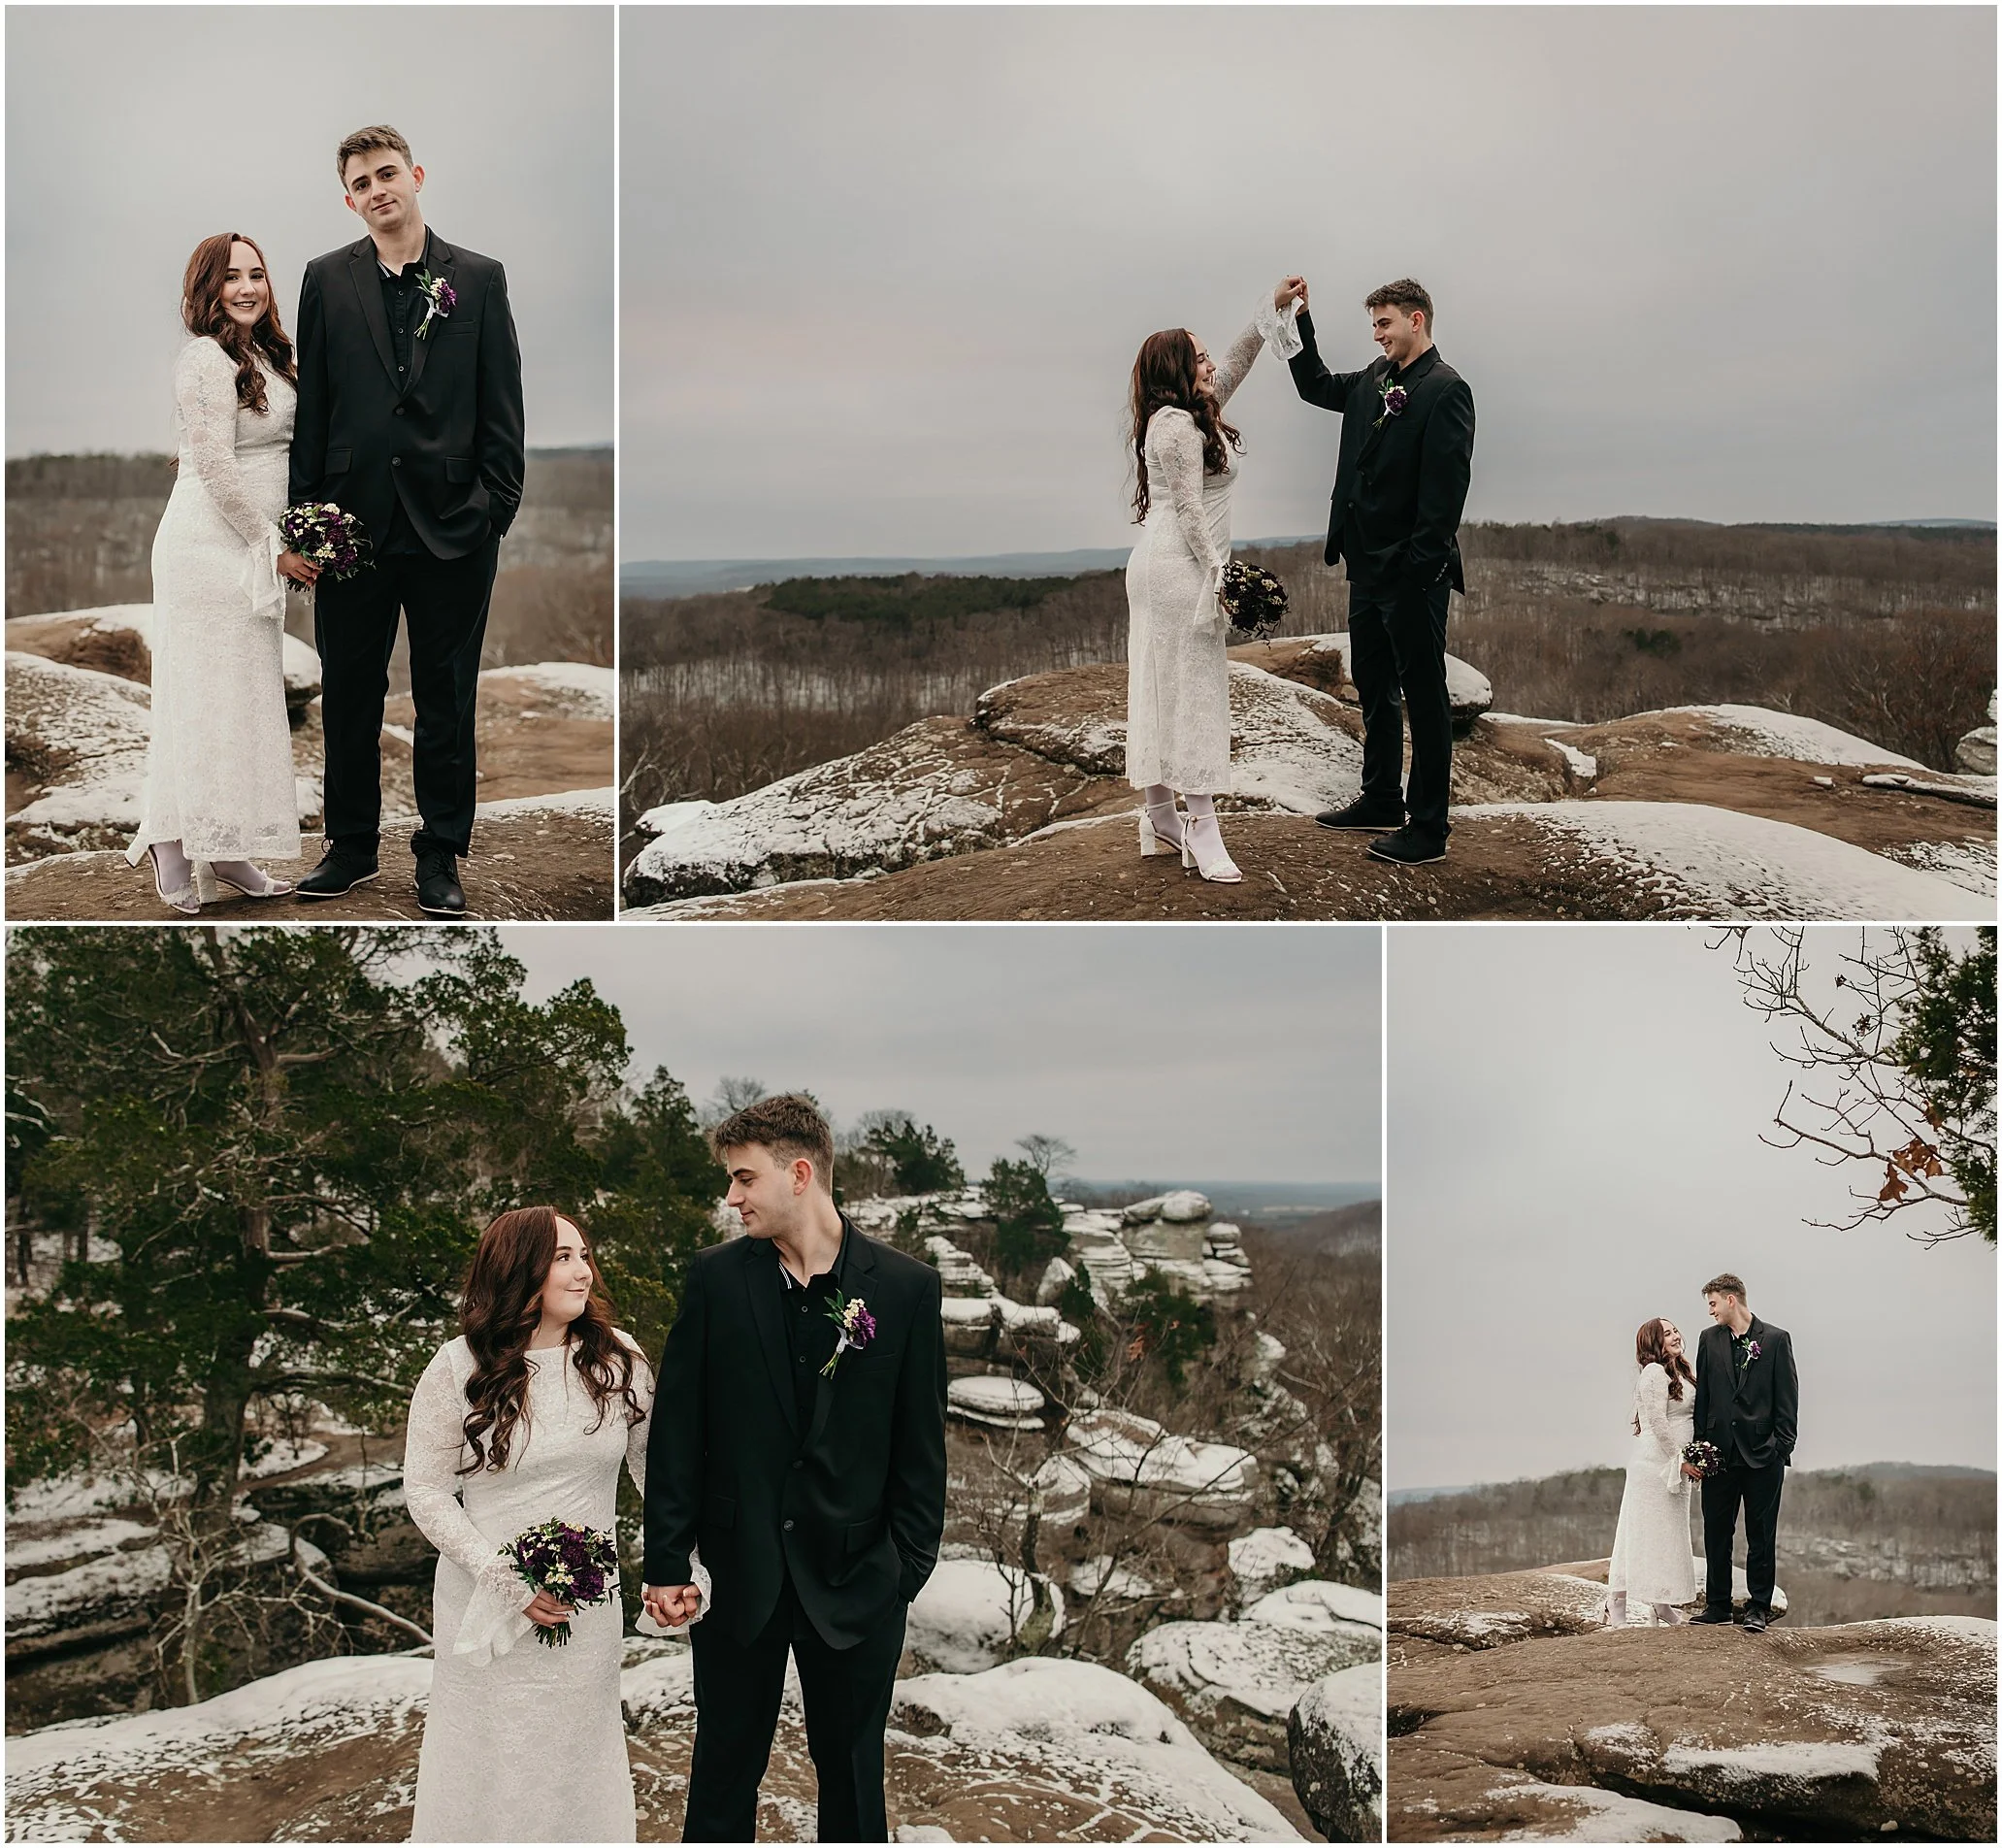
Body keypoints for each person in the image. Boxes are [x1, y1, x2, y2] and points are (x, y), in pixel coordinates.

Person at [643, 1093, 948, 1842]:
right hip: (738, 1575)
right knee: (722, 1773)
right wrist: (667, 1560)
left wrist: (901, 1570)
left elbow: (921, 1447)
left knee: (850, 1781)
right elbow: (678, 1432)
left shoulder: (905, 1289)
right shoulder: (714, 1279)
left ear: (799, 1173)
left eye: (744, 1179)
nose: (731, 1196)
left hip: (857, 1584)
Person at [289, 124, 525, 917]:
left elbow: (502, 405)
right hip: (351, 530)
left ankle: (439, 856)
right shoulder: (324, 279)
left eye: (387, 173)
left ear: (415, 175)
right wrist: (304, 524)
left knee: (445, 698)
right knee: (349, 692)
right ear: (349, 199)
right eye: (361, 182)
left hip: (454, 527)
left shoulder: (480, 279)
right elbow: (315, 409)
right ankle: (351, 847)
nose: (377, 189)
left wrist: (494, 507)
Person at [403, 1207, 663, 1841]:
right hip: (484, 1600)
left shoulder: (617, 1358)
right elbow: (426, 1489)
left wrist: (676, 1567)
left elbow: (658, 1477)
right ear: (520, 1271)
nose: (583, 1271)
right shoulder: (456, 1367)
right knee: (493, 1754)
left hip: (587, 1612)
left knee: (576, 1750)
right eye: (563, 1257)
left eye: (583, 1254)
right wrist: (504, 1581)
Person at [126, 233, 320, 912]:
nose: (246, 287)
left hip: (255, 548)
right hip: (207, 548)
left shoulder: (271, 355)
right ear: (206, 289)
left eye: (257, 275)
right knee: (199, 696)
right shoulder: (202, 359)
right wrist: (273, 544)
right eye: (231, 277)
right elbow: (212, 463)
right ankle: (171, 840)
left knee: (242, 699)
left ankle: (225, 845)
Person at [1283, 278, 1476, 867]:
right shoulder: (1373, 380)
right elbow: (1315, 385)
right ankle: (1381, 798)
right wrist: (1296, 319)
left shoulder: (1447, 391)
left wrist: (1419, 569)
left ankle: (1428, 829)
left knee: (1425, 695)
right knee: (1372, 680)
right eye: (1373, 325)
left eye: (1385, 323)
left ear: (1416, 320)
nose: (1377, 334)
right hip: (1365, 565)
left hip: (1412, 574)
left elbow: (1446, 495)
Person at [1123, 284, 1301, 883]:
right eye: (1197, 357)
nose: (1209, 365)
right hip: (1180, 565)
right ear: (1176, 369)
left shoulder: (1193, 411)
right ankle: (1200, 825)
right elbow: (1194, 512)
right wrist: (1223, 577)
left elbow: (1239, 360)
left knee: (1160, 682)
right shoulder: (1173, 425)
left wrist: (1272, 311)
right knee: (1193, 689)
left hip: (1169, 562)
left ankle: (1158, 816)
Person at [1690, 1271, 1797, 1633]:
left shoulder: (1777, 1340)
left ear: (1731, 1299)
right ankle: (1717, 1605)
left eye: (1713, 1303)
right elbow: (1703, 1398)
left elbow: (1787, 1400)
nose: (1710, 1311)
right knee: (1716, 1532)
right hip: (1719, 1456)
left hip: (1763, 1457)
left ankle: (1758, 1608)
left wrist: (1782, 1448)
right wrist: (1699, 1448)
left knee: (1760, 1535)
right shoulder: (1708, 1340)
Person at [1603, 1318, 1699, 1627]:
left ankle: (1662, 1603)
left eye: (1675, 1330)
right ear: (1653, 1342)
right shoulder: (1654, 1373)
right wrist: (1680, 1458)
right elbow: (1657, 1421)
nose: (1674, 1336)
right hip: (1655, 1467)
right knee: (1639, 1534)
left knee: (1668, 1536)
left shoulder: (1679, 1370)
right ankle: (1616, 1602)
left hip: (1674, 1469)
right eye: (1666, 1333)